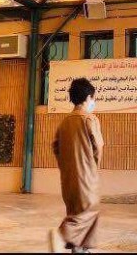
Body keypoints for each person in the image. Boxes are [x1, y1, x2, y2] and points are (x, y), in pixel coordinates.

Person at [49, 78, 104, 254]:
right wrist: (93, 168)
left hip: (68, 178)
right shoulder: (89, 119)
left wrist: (66, 167)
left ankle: (79, 250)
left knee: (74, 212)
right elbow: (98, 146)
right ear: (88, 98)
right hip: (86, 177)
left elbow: (55, 146)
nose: (93, 102)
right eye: (93, 98)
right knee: (89, 210)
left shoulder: (64, 122)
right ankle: (61, 235)